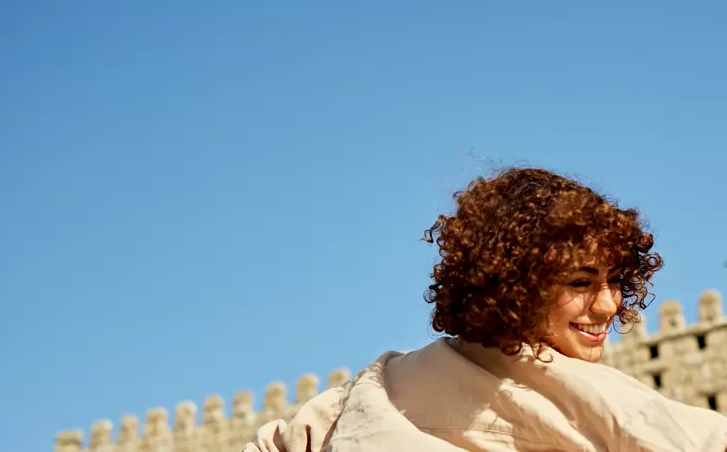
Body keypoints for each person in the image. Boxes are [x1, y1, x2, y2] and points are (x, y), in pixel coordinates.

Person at [244, 167, 727, 452]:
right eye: (581, 282)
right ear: (515, 282)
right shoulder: (574, 391)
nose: (606, 305)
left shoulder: (378, 383)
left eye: (615, 281)